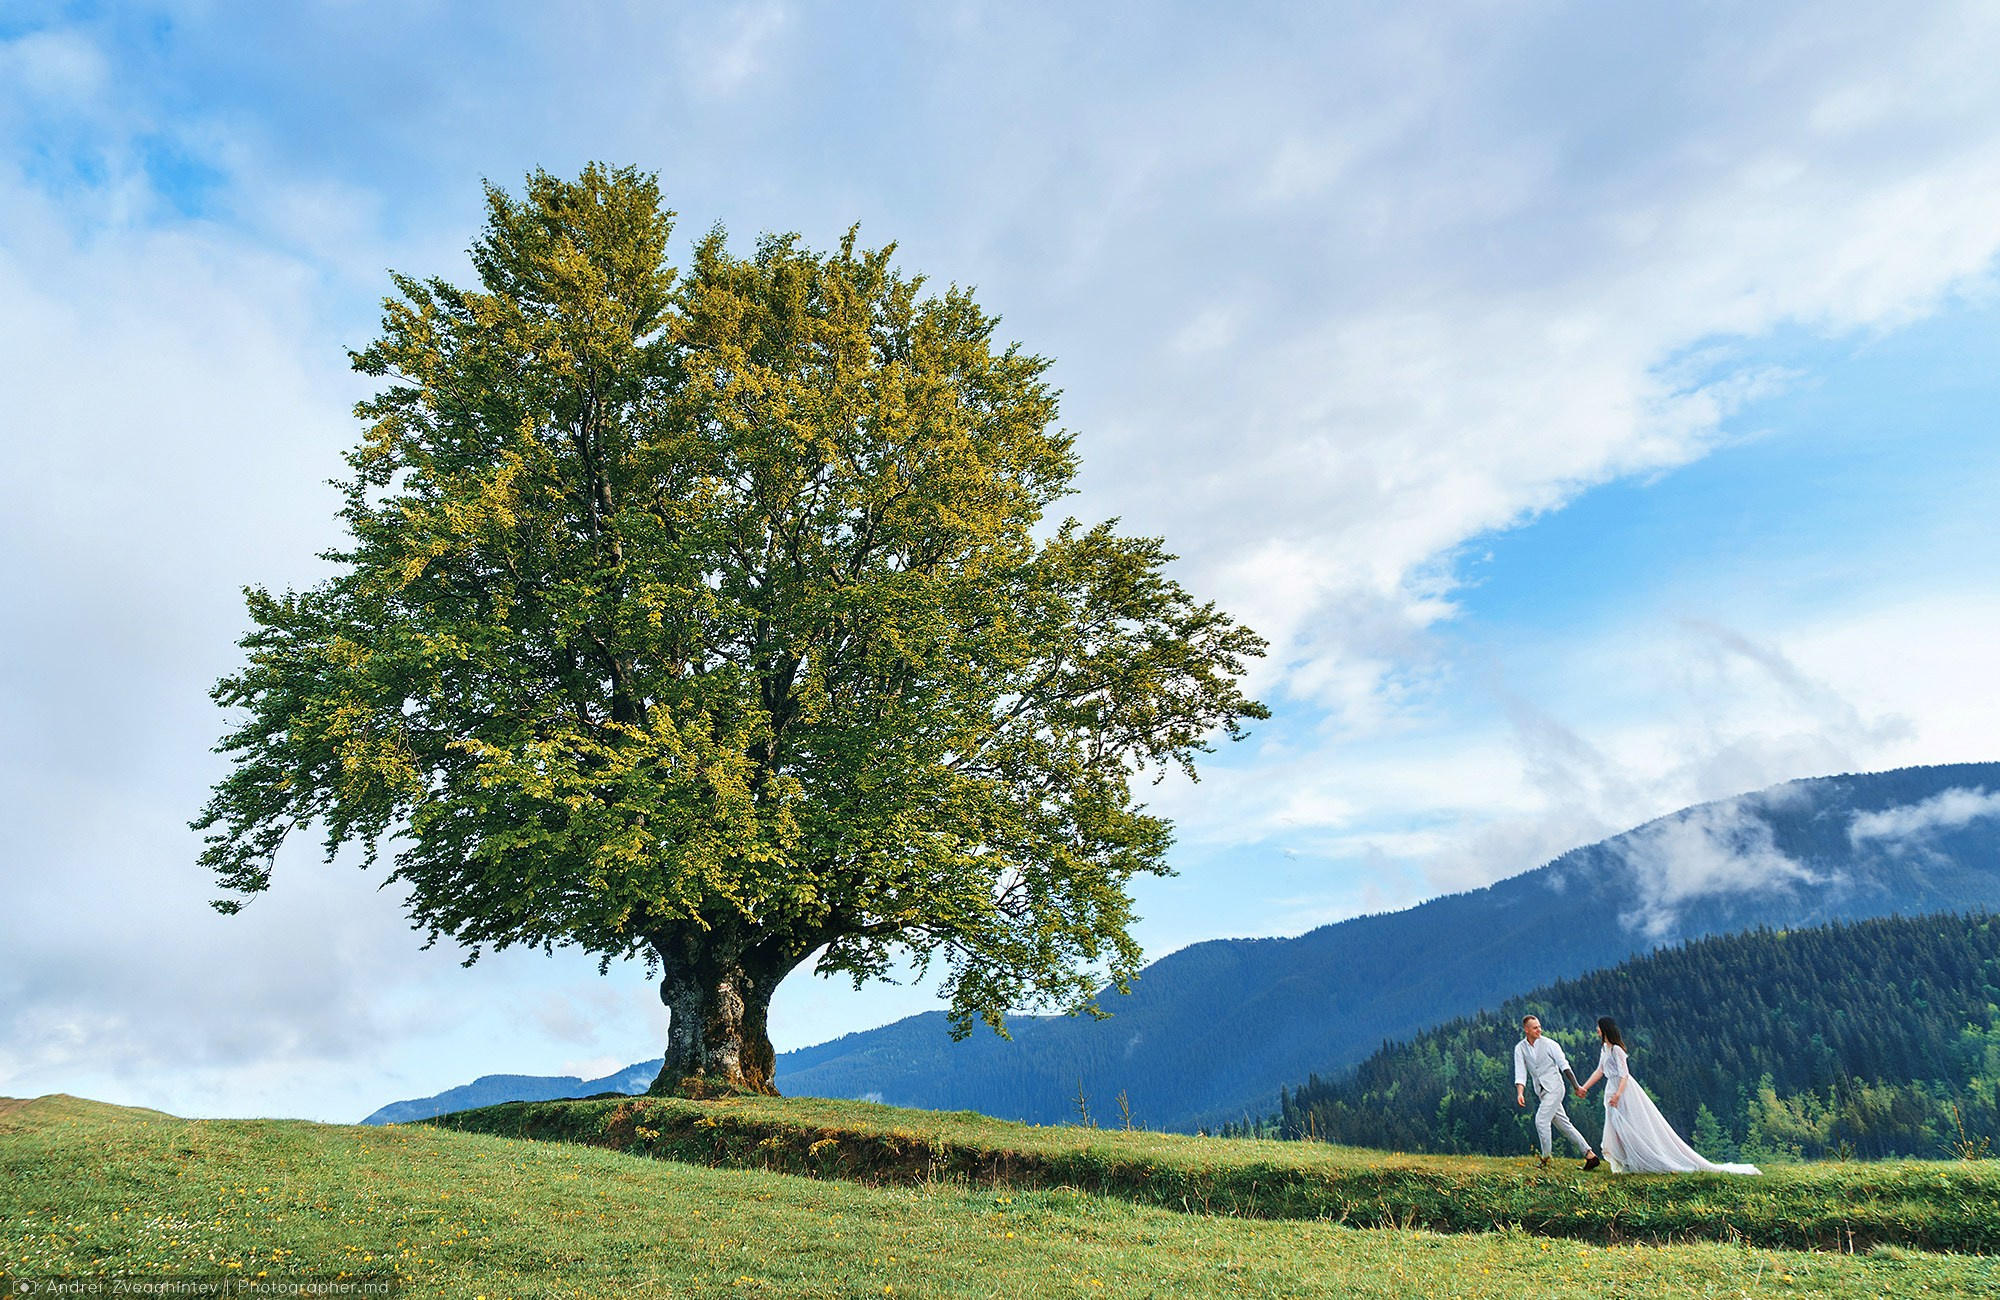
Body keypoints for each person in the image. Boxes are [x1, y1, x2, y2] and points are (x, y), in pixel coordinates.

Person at [1575, 1016, 1760, 1175]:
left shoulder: (1616, 1050)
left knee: (1627, 1125)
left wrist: (1618, 1094)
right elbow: (1600, 1070)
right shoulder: (1605, 1049)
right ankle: (1627, 1160)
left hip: (1622, 1091)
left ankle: (1638, 1159)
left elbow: (1624, 1074)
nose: (1596, 1029)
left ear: (1605, 1029)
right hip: (1611, 1089)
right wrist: (1585, 1087)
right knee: (1616, 1126)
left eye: (1598, 1026)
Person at [1514, 1014, 1600, 1169]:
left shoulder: (1550, 1044)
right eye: (1535, 1028)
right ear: (1526, 1030)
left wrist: (1576, 1086)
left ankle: (1545, 1160)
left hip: (1555, 1088)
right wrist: (1520, 1093)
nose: (1539, 1030)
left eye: (1539, 1026)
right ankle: (1590, 1155)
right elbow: (1520, 1072)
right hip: (1541, 1091)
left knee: (1541, 1120)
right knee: (1564, 1125)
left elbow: (1564, 1066)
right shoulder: (1520, 1048)